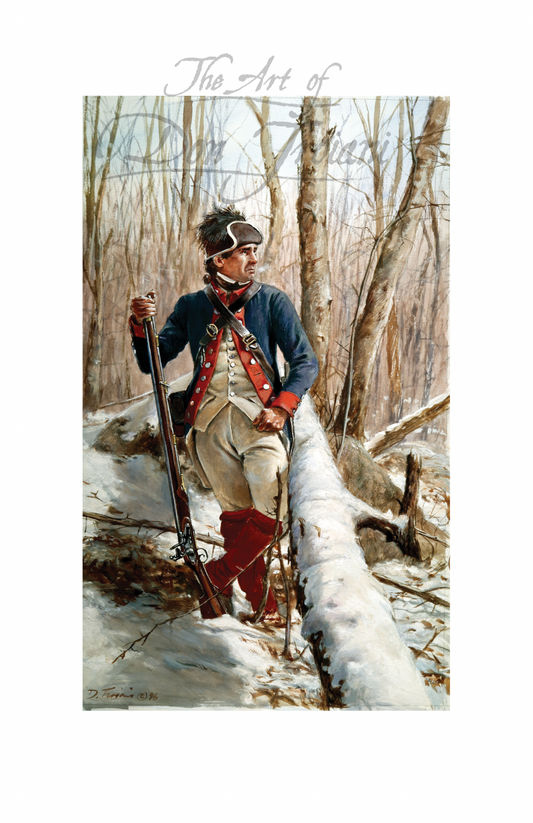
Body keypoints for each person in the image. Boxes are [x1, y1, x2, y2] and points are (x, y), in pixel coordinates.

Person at [129, 205, 318, 621]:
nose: (254, 258)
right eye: (245, 251)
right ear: (220, 259)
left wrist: (283, 409)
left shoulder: (272, 302)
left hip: (261, 422)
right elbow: (154, 362)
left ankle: (220, 573)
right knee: (236, 516)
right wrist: (141, 326)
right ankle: (261, 605)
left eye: (255, 250)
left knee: (272, 507)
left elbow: (305, 363)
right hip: (209, 425)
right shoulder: (192, 305)